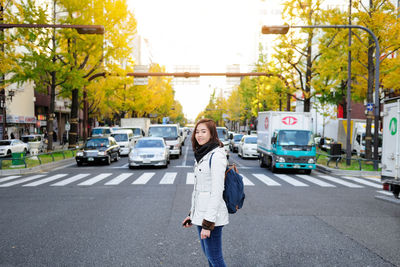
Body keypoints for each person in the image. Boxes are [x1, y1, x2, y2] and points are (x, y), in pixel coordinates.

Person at [182, 118, 228, 267]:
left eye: (204, 131)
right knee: (210, 258)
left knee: (215, 259)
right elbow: (200, 190)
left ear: (212, 134)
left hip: (211, 218)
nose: (199, 135)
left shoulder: (216, 156)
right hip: (201, 215)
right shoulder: (202, 154)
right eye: (197, 131)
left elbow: (216, 191)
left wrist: (208, 224)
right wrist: (192, 214)